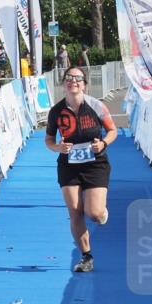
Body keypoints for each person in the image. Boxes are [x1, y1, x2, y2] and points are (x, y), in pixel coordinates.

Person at [44, 67, 117, 273]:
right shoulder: (56, 111)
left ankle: (101, 213)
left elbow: (113, 131)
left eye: (77, 78)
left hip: (96, 164)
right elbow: (48, 140)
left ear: (84, 84)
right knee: (75, 212)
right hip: (69, 166)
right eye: (69, 78)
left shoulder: (96, 106)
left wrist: (102, 143)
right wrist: (58, 147)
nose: (73, 81)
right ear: (64, 83)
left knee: (93, 214)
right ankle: (86, 257)